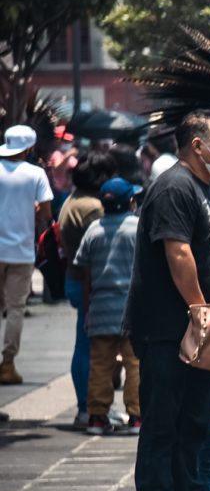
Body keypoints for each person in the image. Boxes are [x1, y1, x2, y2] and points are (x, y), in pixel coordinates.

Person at [127, 109, 210, 491]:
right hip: (168, 328)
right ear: (198, 145)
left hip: (201, 327)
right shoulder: (174, 187)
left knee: (196, 418)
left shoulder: (206, 189)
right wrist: (200, 310)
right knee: (163, 420)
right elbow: (179, 255)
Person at [70, 178, 143, 435]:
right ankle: (136, 417)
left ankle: (97, 417)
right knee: (135, 363)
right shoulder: (138, 228)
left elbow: (85, 272)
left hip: (101, 307)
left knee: (101, 364)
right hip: (132, 309)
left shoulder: (93, 230)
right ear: (130, 202)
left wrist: (88, 307)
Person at [59, 149, 118, 424]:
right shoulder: (93, 208)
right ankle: (89, 407)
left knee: (85, 344)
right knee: (91, 347)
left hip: (76, 278)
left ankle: (89, 406)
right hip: (88, 282)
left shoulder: (73, 200)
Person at [0, 126, 53, 386]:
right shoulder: (36, 174)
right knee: (16, 308)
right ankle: (7, 363)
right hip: (20, 251)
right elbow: (46, 213)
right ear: (29, 148)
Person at [46, 130, 77, 215]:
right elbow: (57, 168)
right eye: (65, 141)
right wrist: (67, 156)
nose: (67, 143)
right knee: (58, 213)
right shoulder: (57, 154)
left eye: (69, 141)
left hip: (69, 190)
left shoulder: (73, 157)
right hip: (58, 190)